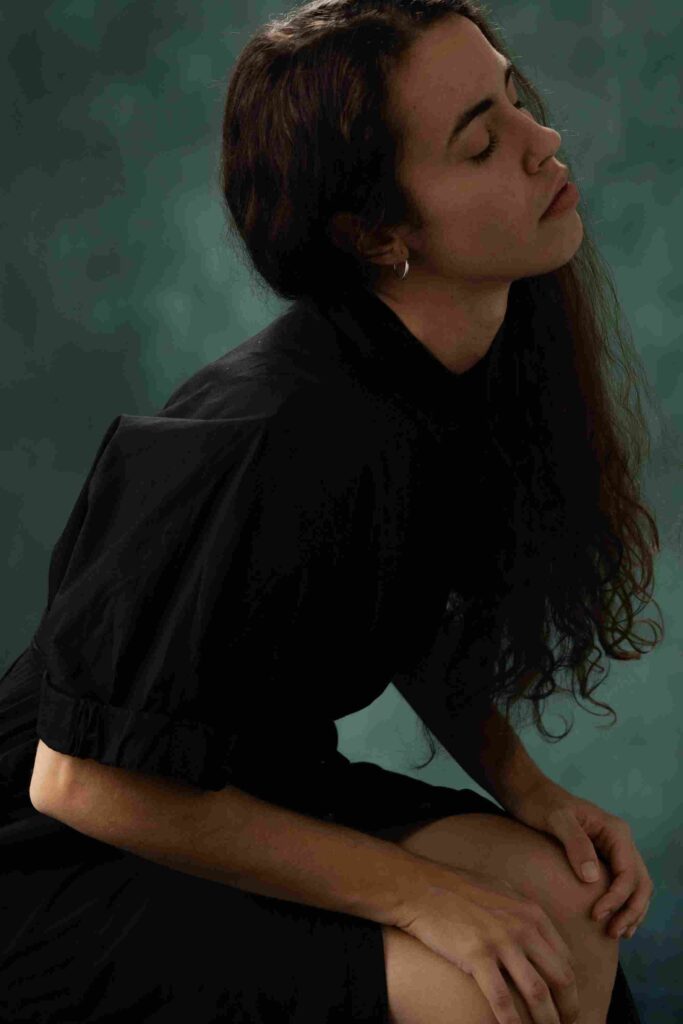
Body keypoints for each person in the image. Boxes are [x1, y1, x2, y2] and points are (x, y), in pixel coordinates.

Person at [0, 1, 657, 1022]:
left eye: (513, 99)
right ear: (376, 233)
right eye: (480, 142)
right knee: (491, 992)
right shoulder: (262, 437)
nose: (543, 140)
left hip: (256, 786)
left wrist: (531, 792)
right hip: (70, 858)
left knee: (566, 911)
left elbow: (398, 599)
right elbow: (78, 784)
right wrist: (423, 896)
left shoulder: (462, 366)